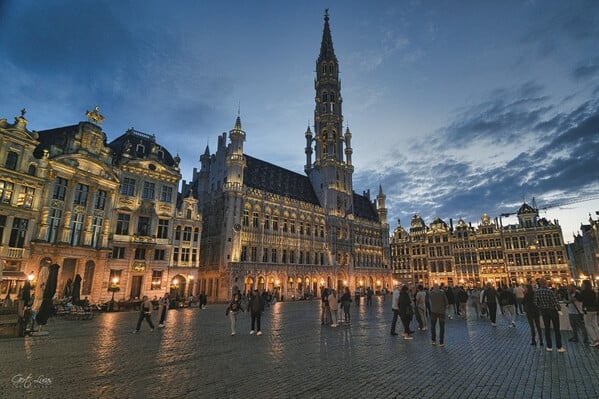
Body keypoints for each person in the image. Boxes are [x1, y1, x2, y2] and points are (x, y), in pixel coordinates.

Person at [534, 278, 565, 352]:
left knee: (547, 329)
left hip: (544, 311)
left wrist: (541, 308)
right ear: (546, 283)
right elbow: (555, 301)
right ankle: (559, 347)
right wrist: (559, 308)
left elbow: (536, 302)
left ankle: (549, 346)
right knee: (556, 329)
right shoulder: (549, 291)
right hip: (552, 310)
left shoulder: (537, 292)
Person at [580, 279, 599, 347]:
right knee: (595, 324)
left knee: (588, 325)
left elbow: (580, 299)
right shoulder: (592, 291)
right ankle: (598, 338)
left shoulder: (584, 292)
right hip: (594, 309)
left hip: (587, 309)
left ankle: (594, 340)